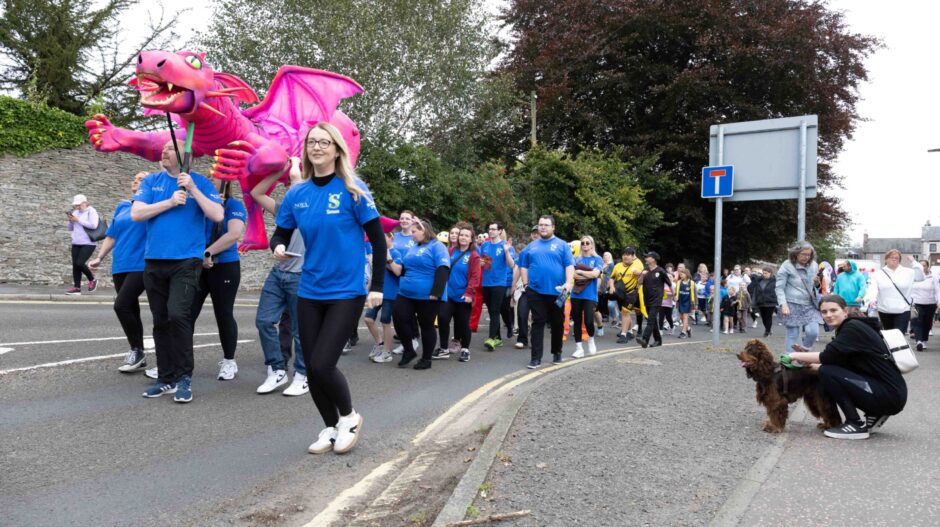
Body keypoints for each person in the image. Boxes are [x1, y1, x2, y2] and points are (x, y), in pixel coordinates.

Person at [270, 123, 386, 455]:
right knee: (309, 367)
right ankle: (330, 427)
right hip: (310, 290)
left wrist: (376, 287)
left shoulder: (353, 189)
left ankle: (349, 417)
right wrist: (277, 247)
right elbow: (280, 233)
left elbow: (378, 241)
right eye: (311, 142)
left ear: (337, 150)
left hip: (346, 291)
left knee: (322, 364)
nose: (317, 147)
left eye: (324, 142)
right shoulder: (297, 194)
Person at [132, 141, 224, 403]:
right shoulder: (152, 182)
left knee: (178, 315)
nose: (164, 151)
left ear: (188, 158)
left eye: (171, 149)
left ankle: (184, 377)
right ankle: (166, 378)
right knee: (160, 320)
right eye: (163, 149)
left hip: (186, 262)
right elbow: (137, 213)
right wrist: (170, 202)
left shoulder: (201, 184)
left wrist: (193, 188)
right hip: (154, 261)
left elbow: (217, 214)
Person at [785, 295, 907, 440]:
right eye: (824, 312)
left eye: (833, 310)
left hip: (889, 395)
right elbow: (835, 367)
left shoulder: (852, 328)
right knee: (826, 371)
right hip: (890, 392)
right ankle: (875, 413)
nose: (829, 315)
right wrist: (808, 365)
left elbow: (826, 358)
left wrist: (792, 356)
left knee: (826, 371)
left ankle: (855, 424)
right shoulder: (850, 328)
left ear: (845, 311)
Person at [250, 157, 309, 396]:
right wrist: (278, 171)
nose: (290, 186)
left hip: (301, 276)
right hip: (279, 273)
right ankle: (277, 370)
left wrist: (293, 167)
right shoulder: (285, 209)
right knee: (264, 321)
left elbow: (298, 183)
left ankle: (303, 375)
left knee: (298, 330)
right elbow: (257, 192)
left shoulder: (313, 204)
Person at [88, 172, 149, 372]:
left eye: (142, 178)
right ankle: (139, 353)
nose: (136, 179)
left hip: (141, 264)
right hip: (120, 264)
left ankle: (136, 350)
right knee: (131, 308)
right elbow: (111, 235)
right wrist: (99, 257)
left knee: (120, 305)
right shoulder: (123, 206)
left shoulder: (151, 207)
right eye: (135, 177)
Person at [187, 178, 246, 381]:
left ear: (227, 182)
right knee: (186, 314)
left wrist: (208, 253)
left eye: (217, 178)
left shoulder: (233, 205)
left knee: (223, 314)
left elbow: (234, 233)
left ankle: (229, 361)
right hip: (197, 266)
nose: (212, 181)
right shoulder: (200, 204)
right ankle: (178, 362)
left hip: (225, 266)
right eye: (210, 177)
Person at [389, 219, 450, 370]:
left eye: (414, 231)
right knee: (398, 318)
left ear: (424, 231)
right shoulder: (413, 247)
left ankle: (426, 359)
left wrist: (436, 293)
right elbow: (403, 269)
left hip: (427, 295)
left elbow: (443, 269)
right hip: (405, 292)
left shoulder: (437, 246)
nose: (412, 235)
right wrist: (389, 260)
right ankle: (409, 350)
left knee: (426, 325)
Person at [518, 215, 574, 368]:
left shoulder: (562, 245)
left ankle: (557, 352)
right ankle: (536, 358)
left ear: (553, 227)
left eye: (546, 225)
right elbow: (523, 265)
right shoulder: (531, 246)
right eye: (540, 225)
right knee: (538, 322)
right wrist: (525, 284)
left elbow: (569, 266)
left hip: (558, 291)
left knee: (557, 323)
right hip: (535, 290)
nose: (543, 227)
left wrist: (568, 283)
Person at [435, 222, 481, 362]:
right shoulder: (449, 252)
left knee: (463, 324)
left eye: (466, 236)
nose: (463, 237)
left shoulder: (473, 256)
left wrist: (469, 293)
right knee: (442, 318)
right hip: (448, 294)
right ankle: (443, 349)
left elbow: (475, 276)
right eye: (461, 235)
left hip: (463, 296)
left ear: (471, 239)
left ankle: (465, 349)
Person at [775, 241, 823, 355]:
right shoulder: (787, 265)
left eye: (809, 254)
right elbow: (779, 288)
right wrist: (783, 304)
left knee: (813, 332)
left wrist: (817, 283)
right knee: (793, 333)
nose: (806, 257)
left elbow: (815, 288)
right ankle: (789, 360)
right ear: (795, 253)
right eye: (803, 254)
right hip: (791, 303)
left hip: (809, 304)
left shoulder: (814, 265)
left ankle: (803, 352)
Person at [365, 232, 402, 364]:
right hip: (376, 292)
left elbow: (398, 272)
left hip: (390, 293)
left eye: (384, 237)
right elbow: (374, 273)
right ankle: (379, 343)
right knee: (368, 318)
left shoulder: (396, 253)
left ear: (391, 238)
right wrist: (368, 290)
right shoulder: (377, 253)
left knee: (385, 321)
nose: (380, 239)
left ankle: (387, 352)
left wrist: (388, 258)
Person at [479, 222, 516, 351]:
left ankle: (491, 338)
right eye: (490, 229)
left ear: (500, 231)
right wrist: (482, 263)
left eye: (494, 229)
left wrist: (506, 252)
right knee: (491, 310)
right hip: (486, 282)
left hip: (499, 283)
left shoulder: (505, 245)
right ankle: (498, 338)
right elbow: (484, 264)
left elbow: (511, 265)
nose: (491, 231)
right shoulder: (485, 245)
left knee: (495, 310)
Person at [871, 249, 925, 331]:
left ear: (900, 260)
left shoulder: (908, 272)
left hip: (903, 310)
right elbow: (873, 288)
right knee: (889, 335)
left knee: (899, 336)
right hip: (885, 310)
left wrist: (913, 262)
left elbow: (921, 277)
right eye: (891, 257)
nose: (894, 259)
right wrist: (872, 299)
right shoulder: (878, 273)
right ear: (886, 259)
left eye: (897, 258)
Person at [570, 235, 603, 358]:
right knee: (577, 321)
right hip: (576, 294)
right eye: (582, 243)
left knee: (589, 320)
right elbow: (573, 275)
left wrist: (581, 272)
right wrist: (587, 274)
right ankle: (579, 348)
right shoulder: (576, 259)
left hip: (590, 295)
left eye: (587, 243)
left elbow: (595, 274)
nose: (584, 245)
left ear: (592, 245)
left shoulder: (598, 259)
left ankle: (591, 340)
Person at [66, 194, 100, 294]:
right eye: (75, 205)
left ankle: (92, 280)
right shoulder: (75, 212)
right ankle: (77, 288)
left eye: (79, 205)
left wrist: (78, 220)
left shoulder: (91, 211)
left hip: (88, 242)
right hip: (76, 241)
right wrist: (71, 221)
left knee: (80, 263)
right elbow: (70, 228)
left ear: (85, 203)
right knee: (75, 265)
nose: (77, 207)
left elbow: (94, 225)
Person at [512, 226, 539, 349]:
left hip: (541, 288)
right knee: (522, 313)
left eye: (537, 232)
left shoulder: (548, 249)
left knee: (537, 316)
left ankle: (535, 339)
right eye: (534, 233)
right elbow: (518, 267)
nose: (535, 235)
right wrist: (513, 286)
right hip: (526, 287)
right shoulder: (525, 250)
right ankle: (522, 338)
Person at [610, 246, 644, 343]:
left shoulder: (636, 265)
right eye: (624, 254)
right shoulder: (618, 266)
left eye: (628, 255)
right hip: (620, 293)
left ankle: (623, 335)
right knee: (625, 313)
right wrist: (612, 287)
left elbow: (641, 275)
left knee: (625, 312)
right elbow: (612, 278)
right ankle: (629, 331)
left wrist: (639, 274)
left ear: (633, 256)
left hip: (631, 293)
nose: (626, 257)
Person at [636, 251, 670, 348]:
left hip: (657, 300)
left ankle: (644, 339)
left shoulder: (660, 271)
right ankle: (658, 340)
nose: (646, 258)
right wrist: (642, 275)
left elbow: (669, 283)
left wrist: (674, 295)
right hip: (647, 299)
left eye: (648, 257)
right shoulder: (645, 270)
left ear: (653, 259)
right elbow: (639, 283)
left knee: (650, 320)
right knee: (653, 321)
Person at [909, 260, 940, 351]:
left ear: (928, 267)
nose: (922, 267)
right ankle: (919, 341)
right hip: (917, 302)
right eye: (921, 266)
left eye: (924, 266)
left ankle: (924, 341)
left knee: (927, 323)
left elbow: (938, 290)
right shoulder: (914, 276)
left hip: (930, 303)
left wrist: (939, 301)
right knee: (917, 322)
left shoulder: (933, 277)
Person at [750, 266, 778, 337]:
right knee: (763, 317)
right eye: (763, 273)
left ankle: (767, 331)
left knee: (768, 317)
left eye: (766, 273)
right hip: (761, 301)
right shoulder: (759, 280)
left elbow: (778, 291)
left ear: (770, 273)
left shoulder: (775, 281)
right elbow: (750, 288)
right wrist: (755, 279)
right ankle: (768, 329)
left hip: (770, 302)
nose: (764, 275)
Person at [674, 268, 695, 338]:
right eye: (680, 274)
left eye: (682, 274)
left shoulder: (691, 283)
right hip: (680, 302)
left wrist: (695, 303)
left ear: (687, 274)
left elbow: (695, 294)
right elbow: (676, 292)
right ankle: (688, 328)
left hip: (688, 302)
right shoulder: (679, 282)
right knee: (681, 317)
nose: (681, 275)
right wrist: (675, 297)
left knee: (685, 317)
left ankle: (683, 332)